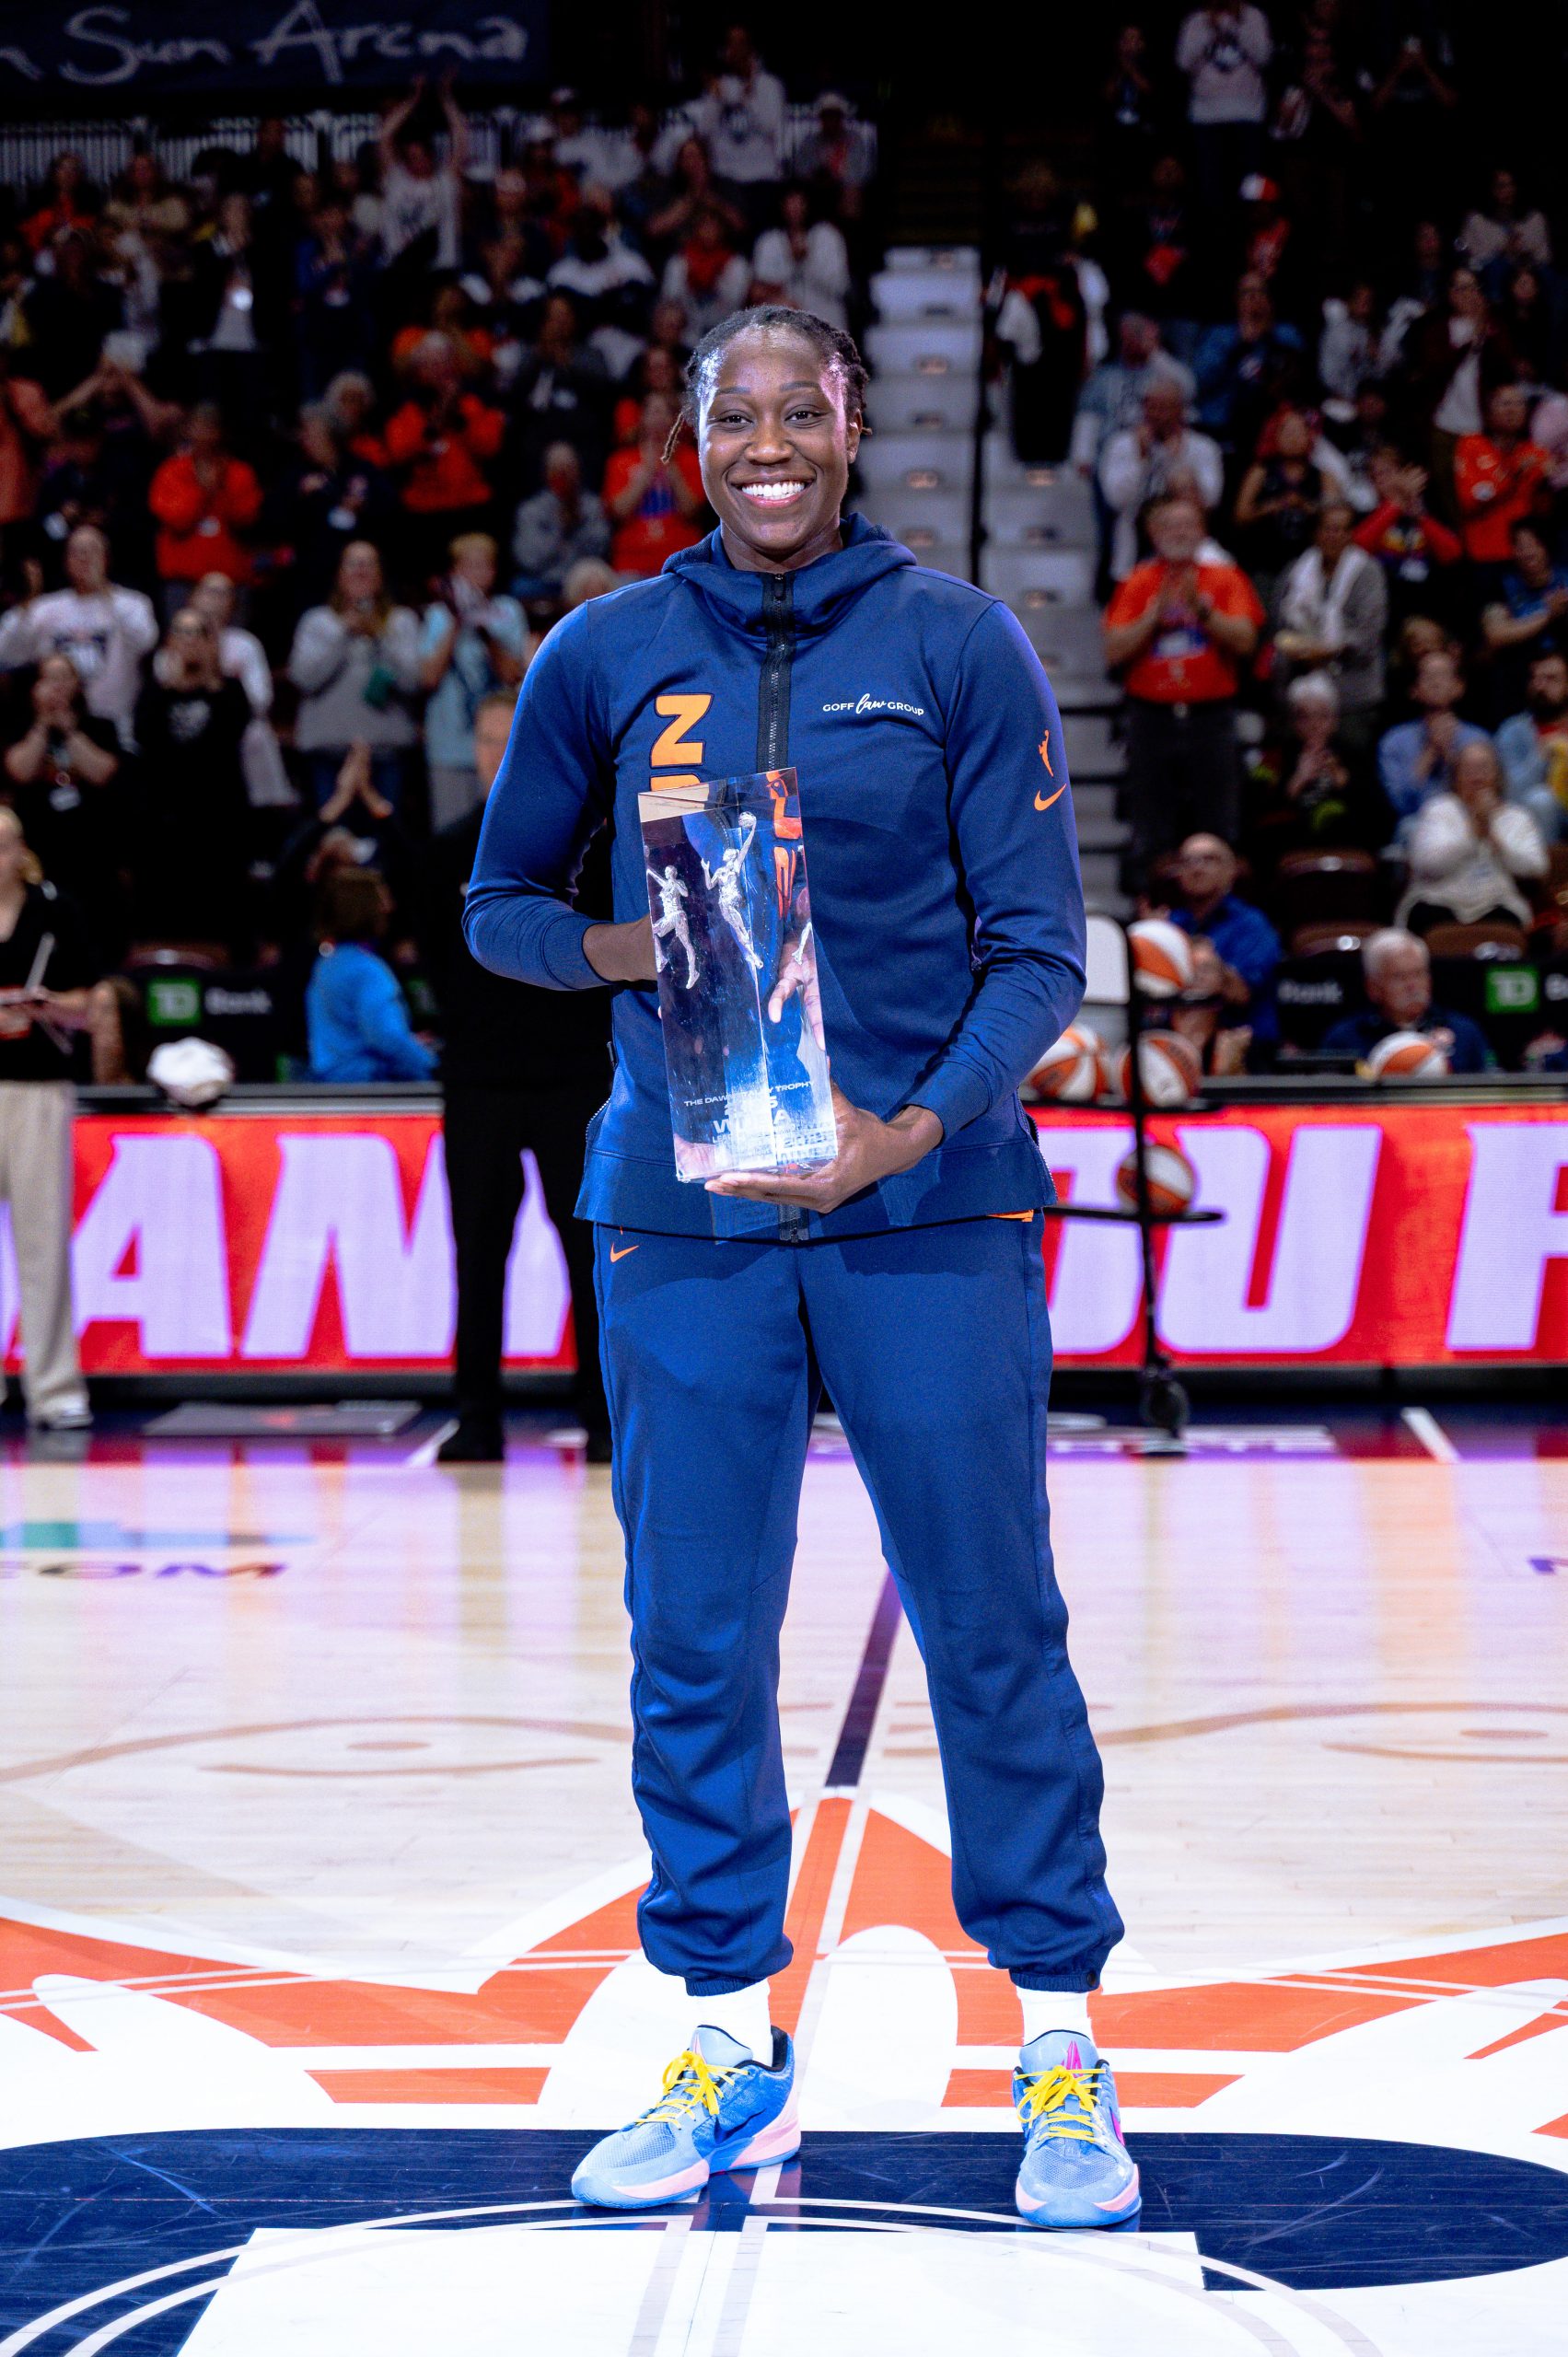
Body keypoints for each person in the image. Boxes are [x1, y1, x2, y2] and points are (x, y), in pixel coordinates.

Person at [466, 303, 1132, 2231]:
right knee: (692, 1639)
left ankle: (1062, 2041)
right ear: (690, 434)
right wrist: (646, 946)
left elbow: (1037, 953)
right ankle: (714, 2031)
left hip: (924, 1208)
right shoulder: (601, 651)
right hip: (681, 1221)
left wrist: (907, 1129)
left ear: (849, 429)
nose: (764, 442)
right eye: (729, 412)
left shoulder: (956, 641)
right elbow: (499, 909)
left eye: (798, 411)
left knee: (990, 1622)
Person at [431, 690, 612, 1464]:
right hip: (477, 1084)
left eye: (510, 741)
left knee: (591, 1259)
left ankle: (605, 1420)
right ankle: (477, 1419)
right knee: (476, 1257)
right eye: (485, 742)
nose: (497, 756)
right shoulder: (443, 850)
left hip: (572, 1080)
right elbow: (437, 969)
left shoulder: (591, 846)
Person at [1103, 491, 1264, 881]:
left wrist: (1203, 609)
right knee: (1152, 826)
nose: (1179, 532)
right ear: (1153, 532)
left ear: (1202, 531)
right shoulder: (1137, 582)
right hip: (1151, 717)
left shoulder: (1225, 578)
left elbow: (1246, 641)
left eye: (1188, 524)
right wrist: (1152, 617)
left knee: (1219, 822)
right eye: (1170, 525)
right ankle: (1155, 914)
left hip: (1211, 717)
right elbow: (1114, 650)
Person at [0, 807, 97, 1429]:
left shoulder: (54, 912)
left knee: (42, 1240)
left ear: (19, 850)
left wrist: (47, 1006)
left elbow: (90, 1005)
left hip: (36, 1086)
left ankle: (55, 1386)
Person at [134, 607, 253, 947]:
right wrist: (173, 686)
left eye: (196, 633)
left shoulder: (230, 691)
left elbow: (230, 735)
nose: (189, 642)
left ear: (209, 642)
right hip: (167, 821)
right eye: (181, 633)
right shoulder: (154, 693)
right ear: (170, 642)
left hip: (217, 821)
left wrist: (208, 681)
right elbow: (147, 739)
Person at [2, 651, 124, 955]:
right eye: (48, 678)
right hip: (38, 851)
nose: (56, 686)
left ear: (78, 685)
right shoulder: (19, 728)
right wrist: (44, 724)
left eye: (63, 677)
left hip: (92, 853)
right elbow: (19, 769)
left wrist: (68, 729)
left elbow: (102, 772)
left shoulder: (100, 727)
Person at [288, 541, 423, 811]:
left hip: (386, 749)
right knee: (331, 840)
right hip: (328, 750)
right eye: (353, 563)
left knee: (387, 840)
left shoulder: (401, 621)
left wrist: (379, 637)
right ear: (339, 574)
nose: (361, 570)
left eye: (368, 563)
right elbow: (304, 678)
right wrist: (343, 633)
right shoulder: (317, 621)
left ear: (381, 574)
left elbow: (413, 682)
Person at [0, 526, 157, 750]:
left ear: (107, 558)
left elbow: (146, 641)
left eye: (91, 550)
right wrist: (26, 606)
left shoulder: (132, 604)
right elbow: (6, 654)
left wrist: (104, 593)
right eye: (76, 551)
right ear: (65, 561)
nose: (84, 558)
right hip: (55, 729)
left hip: (115, 726)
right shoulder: (46, 607)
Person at [419, 534, 531, 829]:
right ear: (455, 572)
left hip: (501, 749)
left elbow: (512, 675)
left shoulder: (508, 612)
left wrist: (481, 626)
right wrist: (458, 620)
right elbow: (428, 678)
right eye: (469, 566)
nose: (477, 574)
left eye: (484, 566)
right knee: (452, 835)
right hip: (449, 747)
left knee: (504, 830)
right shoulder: (437, 615)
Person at [1397, 737, 1548, 933]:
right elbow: (1427, 865)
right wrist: (1474, 831)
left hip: (1497, 904)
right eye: (1468, 770)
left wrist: (1495, 842)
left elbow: (1536, 868)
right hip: (1438, 900)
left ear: (1498, 775)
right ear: (1455, 777)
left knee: (1507, 926)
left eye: (1484, 768)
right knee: (1425, 917)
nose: (1477, 777)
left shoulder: (1517, 817)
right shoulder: (1439, 810)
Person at [1272, 502, 1388, 752]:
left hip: (1351, 685)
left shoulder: (1368, 572)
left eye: (1342, 530)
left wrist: (1329, 649)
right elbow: (1278, 625)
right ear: (1316, 533)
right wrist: (1300, 650)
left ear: (1350, 534)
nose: (1334, 536)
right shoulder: (1295, 570)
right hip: (1298, 681)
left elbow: (1368, 635)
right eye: (1327, 529)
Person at [307, 865, 436, 1083]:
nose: (390, 908)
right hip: (368, 1093)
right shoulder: (368, 971)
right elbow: (387, 1038)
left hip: (331, 1090)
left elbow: (347, 1036)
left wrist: (409, 1043)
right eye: (382, 901)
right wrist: (433, 1067)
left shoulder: (325, 965)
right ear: (365, 908)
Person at [1098, 378, 1224, 580]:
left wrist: (1176, 461)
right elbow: (1116, 499)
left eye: (1165, 408)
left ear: (1181, 410)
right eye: (1152, 407)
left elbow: (1210, 500)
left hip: (1188, 550)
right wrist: (1141, 459)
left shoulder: (1203, 447)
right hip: (1133, 550)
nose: (1157, 415)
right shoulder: (1121, 445)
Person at [189, 571, 294, 811]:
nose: (215, 599)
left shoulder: (245, 644)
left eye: (224, 593)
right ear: (193, 598)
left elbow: (261, 699)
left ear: (233, 604)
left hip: (244, 742)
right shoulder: (176, 642)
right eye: (209, 591)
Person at [1322, 927, 1490, 1071]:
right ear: (1373, 988)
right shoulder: (1344, 1039)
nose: (1412, 985)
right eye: (1400, 977)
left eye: (1418, 974)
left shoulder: (1464, 1032)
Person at [146, 406, 263, 610]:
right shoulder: (171, 472)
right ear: (188, 430)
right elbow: (177, 520)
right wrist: (202, 492)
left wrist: (221, 485)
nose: (204, 435)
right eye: (198, 427)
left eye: (209, 428)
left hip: (231, 582)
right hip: (182, 582)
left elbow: (245, 519)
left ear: (220, 432)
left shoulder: (240, 473)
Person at [1167, 830, 1281, 1036]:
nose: (1197, 868)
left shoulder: (1252, 924)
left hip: (1243, 1044)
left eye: (1209, 860)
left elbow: (1243, 991)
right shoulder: (1169, 926)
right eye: (1187, 861)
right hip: (1173, 1037)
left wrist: (1205, 963)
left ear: (1231, 870)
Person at [1176, 4, 1273, 221]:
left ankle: (1252, 244)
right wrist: (1208, 30)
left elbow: (1264, 57)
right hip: (1206, 116)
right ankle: (1217, 244)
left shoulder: (1254, 16)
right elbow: (1184, 63)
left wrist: (1237, 27)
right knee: (1211, 193)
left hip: (1248, 114)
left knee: (1251, 193)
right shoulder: (1196, 21)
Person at [1377, 647, 1491, 820]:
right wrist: (1430, 752)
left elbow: (1488, 794)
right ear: (1414, 690)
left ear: (1458, 687)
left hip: (1469, 819)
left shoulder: (1478, 739)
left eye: (1443, 675)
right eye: (1428, 676)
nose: (1435, 682)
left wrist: (1449, 758)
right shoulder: (1394, 741)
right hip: (1417, 821)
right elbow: (1400, 803)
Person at [603, 390, 708, 575]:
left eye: (664, 412)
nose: (658, 418)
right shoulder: (620, 461)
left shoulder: (691, 459)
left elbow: (692, 511)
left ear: (674, 420)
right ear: (642, 418)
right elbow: (619, 512)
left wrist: (673, 470)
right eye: (653, 412)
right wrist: (646, 473)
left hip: (681, 563)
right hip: (632, 564)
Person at [1454, 383, 1551, 573]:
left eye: (1519, 404)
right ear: (1488, 413)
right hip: (1485, 554)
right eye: (1505, 404)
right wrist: (1511, 475)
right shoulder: (1471, 445)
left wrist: (1550, 481)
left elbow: (1542, 507)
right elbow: (1470, 499)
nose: (1513, 409)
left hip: (1525, 557)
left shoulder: (1534, 453)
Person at [511, 441, 612, 604]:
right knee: (521, 587)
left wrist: (577, 524)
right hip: (545, 579)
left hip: (583, 579)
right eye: (557, 468)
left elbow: (601, 549)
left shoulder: (592, 505)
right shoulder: (531, 510)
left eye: (568, 467)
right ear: (546, 472)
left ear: (578, 469)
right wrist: (560, 529)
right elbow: (528, 559)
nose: (563, 474)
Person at [751, 185, 852, 328]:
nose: (795, 209)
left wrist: (807, 261)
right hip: (786, 326)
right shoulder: (769, 241)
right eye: (790, 202)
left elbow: (840, 286)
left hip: (826, 320)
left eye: (800, 202)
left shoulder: (828, 236)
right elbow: (760, 289)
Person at [1495, 648, 1568, 842]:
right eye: (1535, 678)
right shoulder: (1512, 731)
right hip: (1534, 817)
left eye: (1551, 679)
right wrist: (1540, 758)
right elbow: (1508, 794)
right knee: (1541, 799)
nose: (1540, 686)